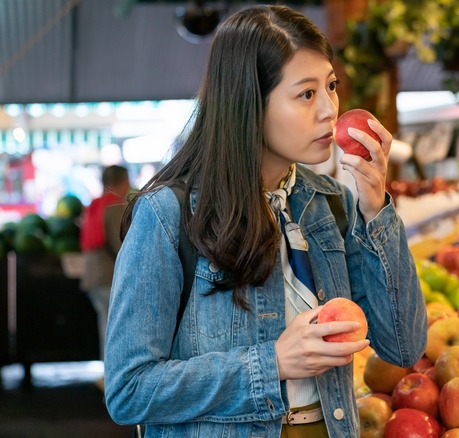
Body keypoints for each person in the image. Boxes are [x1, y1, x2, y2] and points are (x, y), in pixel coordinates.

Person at [103, 5, 426, 438]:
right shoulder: (167, 215)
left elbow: (403, 346)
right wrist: (271, 363)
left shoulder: (331, 204)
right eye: (306, 93)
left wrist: (375, 211)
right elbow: (129, 390)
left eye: (331, 86)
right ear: (249, 102)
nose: (331, 109)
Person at [79, 165, 130, 367]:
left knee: (106, 326)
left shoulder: (94, 204)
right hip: (108, 277)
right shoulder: (114, 206)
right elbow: (121, 245)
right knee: (115, 330)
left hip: (92, 277)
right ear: (123, 182)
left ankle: (107, 374)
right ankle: (113, 377)